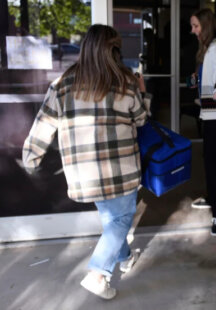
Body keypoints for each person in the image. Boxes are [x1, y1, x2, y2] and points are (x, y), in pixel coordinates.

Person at [22, 24, 150, 300]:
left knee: (113, 221)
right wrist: (144, 92)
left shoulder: (62, 84)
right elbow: (141, 120)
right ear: (114, 50)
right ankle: (97, 274)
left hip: (84, 173)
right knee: (121, 220)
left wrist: (31, 157)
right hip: (121, 169)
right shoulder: (125, 81)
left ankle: (125, 259)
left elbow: (43, 124)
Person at [189, 8, 216, 236]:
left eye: (195, 26)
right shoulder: (207, 49)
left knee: (213, 165)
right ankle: (214, 199)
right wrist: (198, 79)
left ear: (206, 25)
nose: (193, 30)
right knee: (209, 162)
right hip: (208, 115)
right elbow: (212, 74)